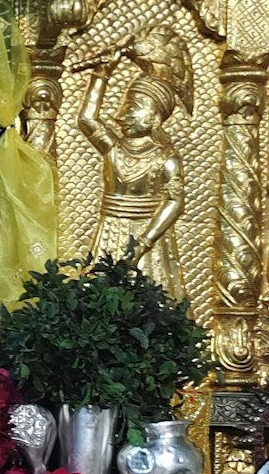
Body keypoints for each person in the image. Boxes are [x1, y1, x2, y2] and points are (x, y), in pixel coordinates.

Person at [77, 30, 193, 299]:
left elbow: (175, 202)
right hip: (110, 231)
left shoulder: (166, 157)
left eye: (133, 107)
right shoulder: (114, 149)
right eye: (125, 105)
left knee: (149, 302)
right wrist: (101, 74)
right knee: (97, 302)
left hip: (146, 238)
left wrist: (143, 243)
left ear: (155, 118)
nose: (121, 115)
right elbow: (87, 120)